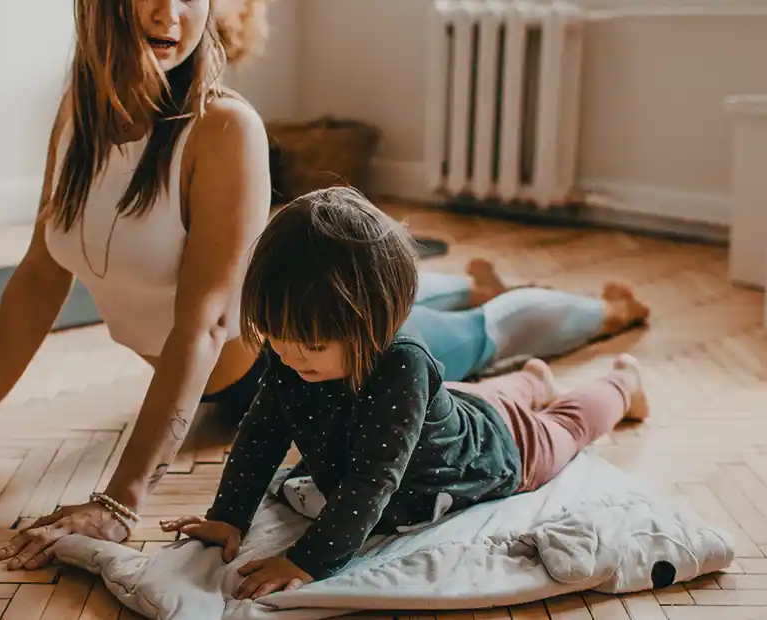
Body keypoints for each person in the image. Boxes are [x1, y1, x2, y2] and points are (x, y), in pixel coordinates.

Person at [0, 0, 647, 571]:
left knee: (477, 339)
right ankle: (464, 295)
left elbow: (201, 327)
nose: (170, 13)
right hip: (298, 339)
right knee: (443, 319)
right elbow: (36, 280)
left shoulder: (223, 128)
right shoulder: (78, 119)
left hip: (295, 360)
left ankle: (595, 313)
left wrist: (123, 500)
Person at [158, 188, 651, 600]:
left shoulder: (402, 364)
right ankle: (533, 380)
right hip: (455, 407)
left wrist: (307, 560)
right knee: (481, 396)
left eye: (311, 345)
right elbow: (262, 433)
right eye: (276, 338)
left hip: (496, 449)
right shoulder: (292, 355)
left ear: (375, 325)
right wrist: (228, 517)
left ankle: (623, 385)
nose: (289, 356)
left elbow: (374, 479)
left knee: (564, 426)